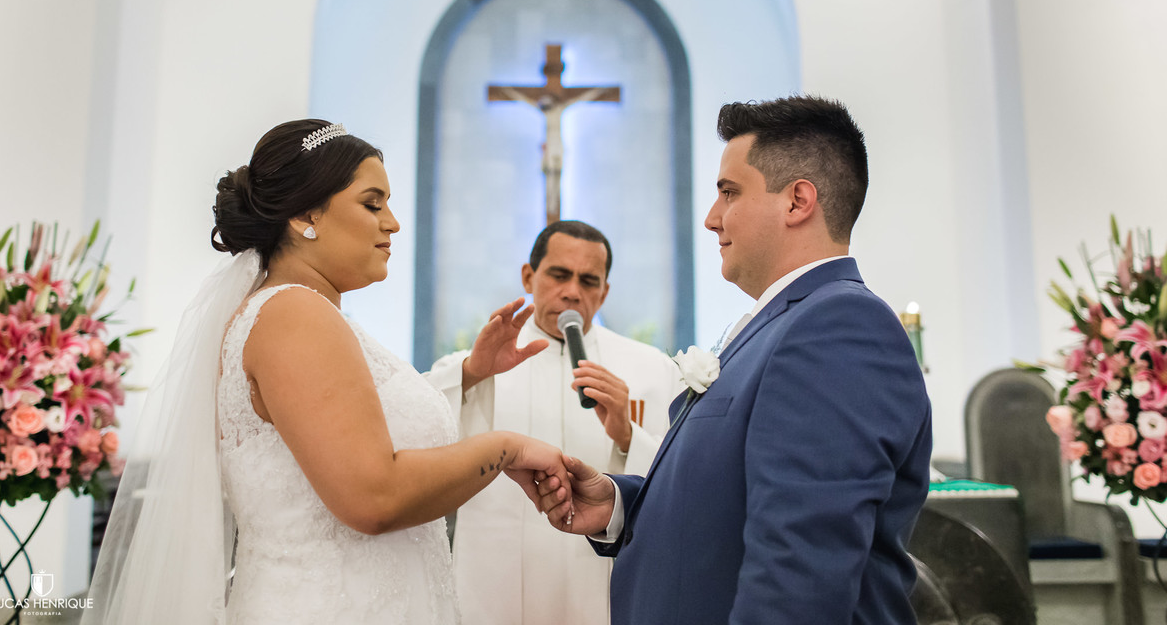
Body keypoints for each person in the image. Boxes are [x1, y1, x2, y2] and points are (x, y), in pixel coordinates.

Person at [85, 119, 571, 624]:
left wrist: (469, 373)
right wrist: (506, 447)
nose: (393, 224)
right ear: (304, 215)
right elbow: (373, 496)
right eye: (372, 203)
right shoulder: (296, 315)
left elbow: (348, 433)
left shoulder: (301, 315)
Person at [537, 97, 934, 624]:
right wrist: (619, 504)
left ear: (797, 202)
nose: (711, 218)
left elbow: (800, 566)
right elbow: (732, 502)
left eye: (729, 192)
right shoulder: (784, 324)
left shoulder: (839, 328)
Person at [427, 220, 683, 625]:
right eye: (559, 275)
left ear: (605, 291)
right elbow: (419, 435)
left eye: (589, 280)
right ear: (529, 277)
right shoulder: (479, 361)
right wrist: (474, 371)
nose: (572, 291)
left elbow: (678, 480)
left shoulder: (650, 368)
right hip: (496, 585)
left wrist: (626, 436)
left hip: (598, 584)